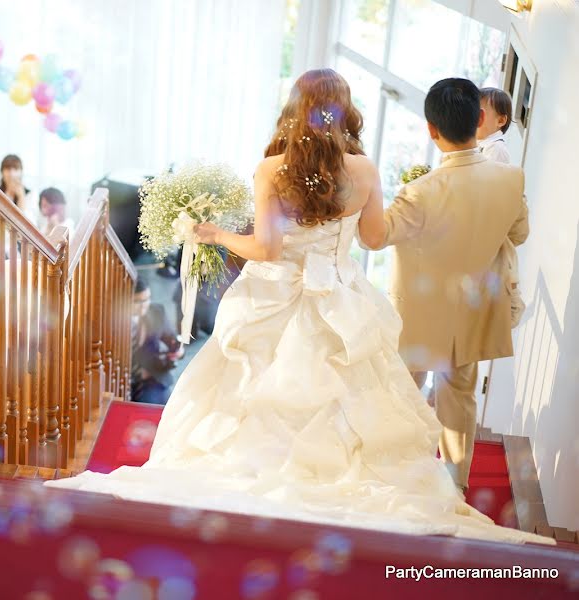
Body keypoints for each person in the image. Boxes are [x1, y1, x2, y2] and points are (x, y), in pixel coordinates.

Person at [46, 70, 548, 545]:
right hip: (341, 299)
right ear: (345, 112)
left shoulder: (272, 170)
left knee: (250, 394)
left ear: (296, 111)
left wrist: (213, 233)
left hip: (273, 297)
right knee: (346, 399)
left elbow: (265, 249)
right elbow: (374, 239)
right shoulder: (365, 171)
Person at [367, 78, 529, 495]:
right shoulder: (511, 180)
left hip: (419, 314)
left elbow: (376, 237)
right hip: (473, 309)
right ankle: (455, 483)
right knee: (460, 394)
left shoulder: (419, 192)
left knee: (403, 389)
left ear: (430, 129)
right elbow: (520, 233)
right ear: (478, 119)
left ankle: (394, 470)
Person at [478, 87, 525, 327]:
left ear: (501, 120)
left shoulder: (496, 149)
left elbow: (488, 190)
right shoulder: (483, 147)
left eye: (480, 113)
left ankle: (510, 301)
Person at [130, 278, 183, 405]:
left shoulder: (156, 311)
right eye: (137, 301)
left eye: (147, 299)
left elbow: (173, 340)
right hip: (121, 380)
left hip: (152, 377)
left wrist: (179, 351)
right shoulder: (111, 320)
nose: (144, 305)